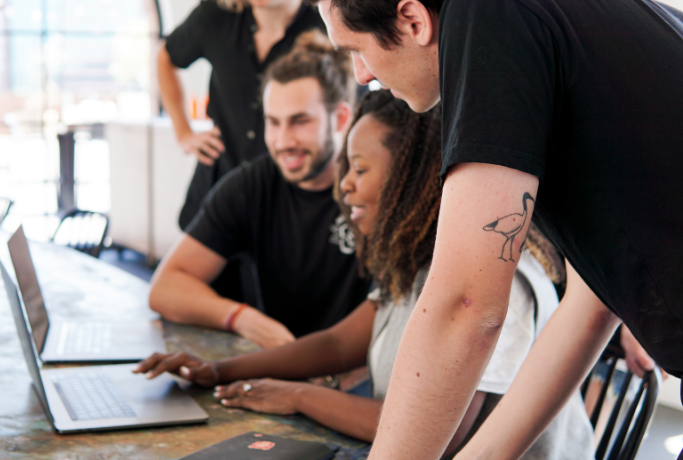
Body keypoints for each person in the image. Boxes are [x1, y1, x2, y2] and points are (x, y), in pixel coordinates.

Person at [308, 0, 683, 458]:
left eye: (356, 48)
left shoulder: (486, 14)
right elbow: (593, 304)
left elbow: (465, 304)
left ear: (412, 20)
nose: (361, 74)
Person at [134, 90, 594, 459]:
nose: (344, 185)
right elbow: (337, 343)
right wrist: (217, 370)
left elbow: (439, 435)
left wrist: (299, 397)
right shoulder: (416, 262)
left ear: (412, 179)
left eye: (359, 168)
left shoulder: (497, 282)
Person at [150, 31, 371, 349]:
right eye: (273, 122)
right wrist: (241, 318)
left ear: (340, 119)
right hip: (279, 362)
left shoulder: (376, 187)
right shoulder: (252, 185)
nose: (283, 142)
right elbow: (165, 288)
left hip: (360, 369)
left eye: (299, 121)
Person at [159, 0, 324, 229]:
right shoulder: (215, 14)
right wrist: (183, 133)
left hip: (286, 199)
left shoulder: (327, 27)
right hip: (217, 182)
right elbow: (165, 57)